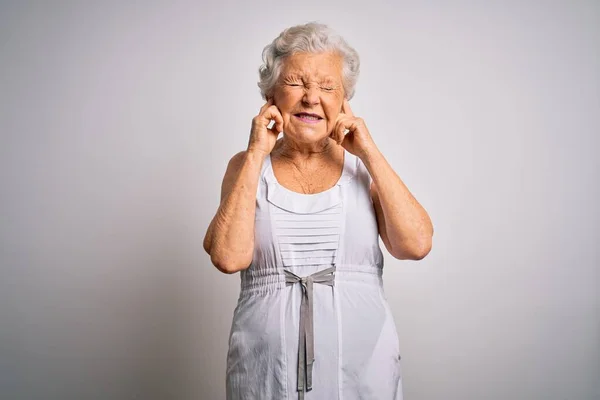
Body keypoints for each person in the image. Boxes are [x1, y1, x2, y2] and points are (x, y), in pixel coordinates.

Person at [203, 22, 433, 400]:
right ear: (271, 94)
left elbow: (417, 244)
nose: (312, 98)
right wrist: (258, 151)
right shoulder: (245, 166)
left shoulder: (364, 168)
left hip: (362, 375)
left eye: (327, 87)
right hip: (264, 374)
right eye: (296, 82)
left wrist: (369, 151)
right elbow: (228, 257)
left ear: (344, 101)